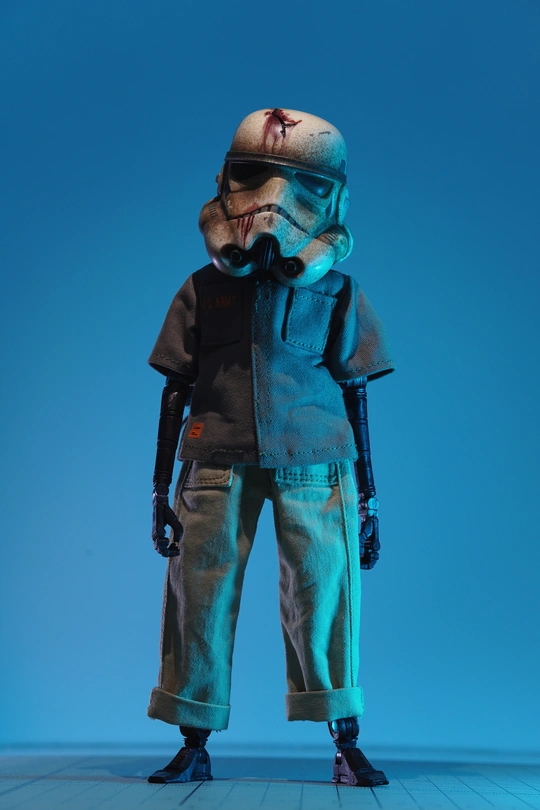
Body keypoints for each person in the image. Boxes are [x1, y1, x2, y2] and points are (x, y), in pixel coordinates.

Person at [146, 108, 395, 787]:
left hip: (315, 460)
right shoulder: (202, 289)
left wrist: (369, 498)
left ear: (334, 199)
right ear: (225, 181)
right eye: (255, 174)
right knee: (198, 598)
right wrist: (158, 489)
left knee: (325, 596)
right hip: (215, 459)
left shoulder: (337, 291)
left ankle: (345, 739)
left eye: (306, 184)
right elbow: (175, 387)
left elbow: (356, 391)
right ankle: (194, 739)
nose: (276, 199)